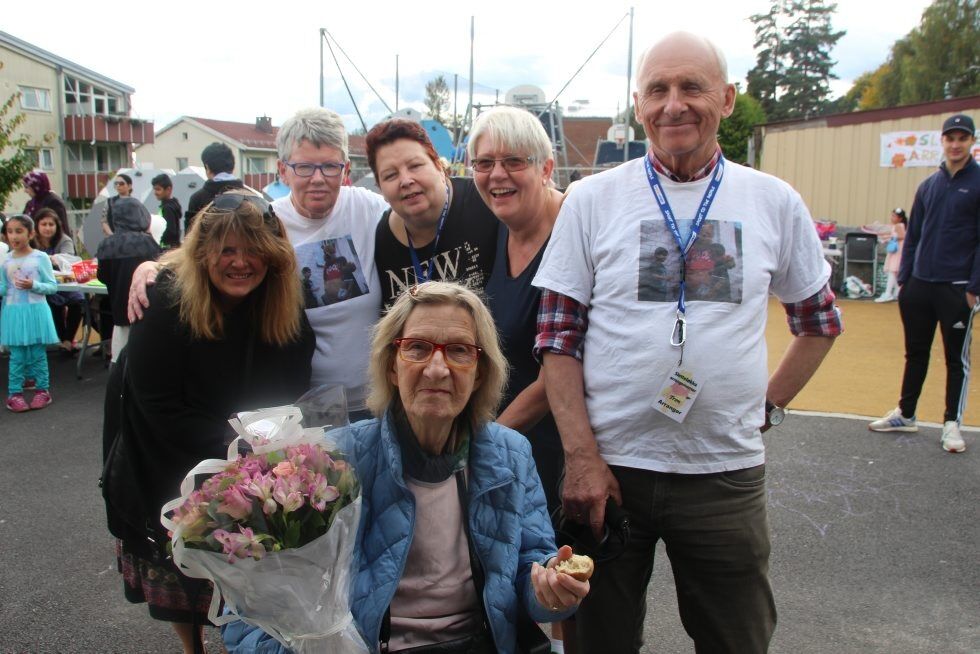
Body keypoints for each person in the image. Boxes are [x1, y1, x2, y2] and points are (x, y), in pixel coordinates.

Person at [532, 32, 841, 653]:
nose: (674, 105)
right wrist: (582, 458)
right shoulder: (593, 199)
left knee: (738, 640)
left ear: (726, 99)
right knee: (600, 643)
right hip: (611, 471)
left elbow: (818, 322)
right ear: (639, 102)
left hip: (723, 473)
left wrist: (766, 407)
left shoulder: (773, 201)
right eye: (658, 90)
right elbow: (557, 339)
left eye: (692, 87)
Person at [222, 281, 589, 654]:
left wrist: (552, 589)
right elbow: (253, 610)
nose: (436, 369)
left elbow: (533, 566)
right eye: (417, 348)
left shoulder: (512, 454)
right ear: (392, 366)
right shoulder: (333, 460)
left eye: (459, 351)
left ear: (479, 373)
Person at [103, 191, 315, 654]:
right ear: (203, 254)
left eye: (253, 249)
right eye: (227, 251)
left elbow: (294, 379)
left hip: (248, 446)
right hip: (168, 450)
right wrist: (236, 441)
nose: (241, 262)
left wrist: (262, 441)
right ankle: (191, 646)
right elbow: (158, 406)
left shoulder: (283, 302)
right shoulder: (167, 303)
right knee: (181, 576)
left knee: (255, 563)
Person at [130, 108, 389, 417]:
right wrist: (151, 268)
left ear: (345, 169)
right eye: (304, 167)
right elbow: (202, 258)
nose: (318, 179)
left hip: (373, 397)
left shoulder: (368, 208)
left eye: (330, 166)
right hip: (299, 401)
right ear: (283, 170)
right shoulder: (265, 221)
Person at [467, 105, 564, 514]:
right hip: (507, 447)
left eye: (513, 161)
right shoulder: (496, 230)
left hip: (558, 450)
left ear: (545, 168)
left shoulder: (572, 230)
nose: (497, 174)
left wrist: (482, 443)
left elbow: (557, 371)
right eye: (485, 162)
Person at [868, 113, 979, 454]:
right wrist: (905, 279)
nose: (956, 144)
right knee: (915, 353)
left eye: (962, 138)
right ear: (943, 142)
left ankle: (951, 424)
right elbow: (913, 235)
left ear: (972, 142)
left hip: (957, 287)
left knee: (954, 359)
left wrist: (974, 287)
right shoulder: (929, 185)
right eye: (950, 138)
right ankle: (907, 412)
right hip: (919, 285)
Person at [366, 118, 498, 309]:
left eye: (415, 166)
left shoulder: (484, 201)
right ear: (380, 189)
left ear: (438, 166)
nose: (405, 180)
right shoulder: (382, 238)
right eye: (390, 175)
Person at [1, 214, 59, 412]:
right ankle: (14, 394)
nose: (14, 236)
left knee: (37, 354)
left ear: (30, 233)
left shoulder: (40, 257)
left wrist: (33, 285)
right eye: (9, 232)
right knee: (17, 356)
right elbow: (3, 287)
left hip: (36, 311)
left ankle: (42, 391)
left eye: (19, 231)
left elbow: (52, 286)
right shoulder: (5, 260)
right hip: (13, 313)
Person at [96, 198, 162, 363]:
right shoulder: (147, 242)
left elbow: (102, 276)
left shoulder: (106, 244)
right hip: (145, 311)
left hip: (119, 313)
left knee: (120, 362)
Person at [32, 208, 83, 355]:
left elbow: (67, 259)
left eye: (51, 224)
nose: (48, 228)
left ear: (57, 226)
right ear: (37, 226)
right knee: (51, 301)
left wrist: (51, 260)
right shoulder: (32, 241)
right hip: (45, 285)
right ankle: (61, 340)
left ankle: (68, 340)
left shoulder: (64, 239)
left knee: (78, 301)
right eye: (44, 224)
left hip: (66, 283)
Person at [184, 142, 244, 234]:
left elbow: (189, 237)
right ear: (232, 166)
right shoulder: (250, 196)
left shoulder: (197, 199)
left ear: (207, 167)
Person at [23, 170, 71, 237]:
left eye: (27, 187)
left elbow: (61, 228)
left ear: (36, 186)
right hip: (34, 244)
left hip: (53, 245)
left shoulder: (53, 202)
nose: (25, 191)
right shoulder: (31, 204)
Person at [874, 208, 907, 303]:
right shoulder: (897, 225)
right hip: (896, 250)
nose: (892, 218)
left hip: (898, 251)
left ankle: (888, 293)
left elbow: (902, 236)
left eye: (894, 216)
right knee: (894, 272)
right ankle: (898, 292)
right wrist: (886, 237)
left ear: (900, 218)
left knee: (893, 271)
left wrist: (889, 237)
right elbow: (895, 236)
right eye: (892, 215)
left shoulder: (899, 225)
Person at [152, 173, 183, 249]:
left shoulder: (167, 208)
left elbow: (170, 231)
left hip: (167, 248)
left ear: (168, 189)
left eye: (158, 189)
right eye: (154, 189)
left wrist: (157, 239)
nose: (155, 192)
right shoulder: (172, 205)